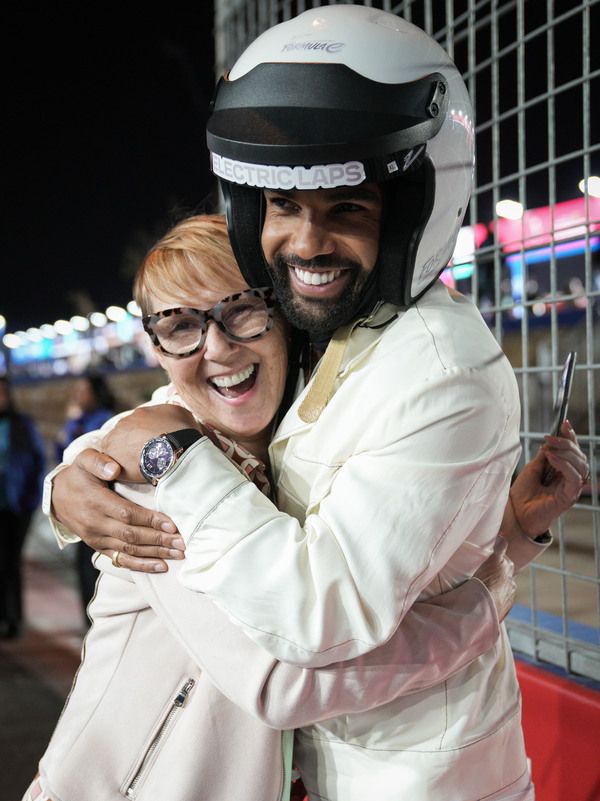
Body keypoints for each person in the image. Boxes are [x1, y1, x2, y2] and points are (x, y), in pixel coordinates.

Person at [46, 7, 591, 800]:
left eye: (348, 206)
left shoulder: (429, 366)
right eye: (283, 205)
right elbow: (167, 411)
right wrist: (78, 473)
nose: (306, 244)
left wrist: (502, 559)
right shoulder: (325, 335)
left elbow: (294, 656)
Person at [26, 214, 520, 801]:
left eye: (240, 311)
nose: (216, 346)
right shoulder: (156, 478)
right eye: (179, 326)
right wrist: (480, 609)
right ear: (157, 350)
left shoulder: (295, 447)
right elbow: (282, 686)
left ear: (283, 316)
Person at [54, 372, 117, 620]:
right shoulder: (78, 420)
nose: (77, 396)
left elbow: (80, 450)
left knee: (99, 568)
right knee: (83, 567)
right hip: (80, 504)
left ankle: (98, 618)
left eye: (83, 390)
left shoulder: (104, 421)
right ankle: (87, 617)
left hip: (100, 503)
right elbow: (61, 453)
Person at [0, 374, 46, 639]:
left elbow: (38, 460)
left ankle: (14, 619)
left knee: (12, 562)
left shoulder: (22, 425)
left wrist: (32, 499)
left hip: (17, 506)